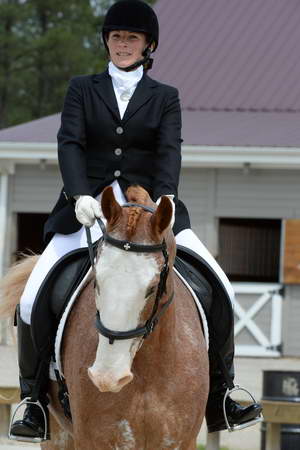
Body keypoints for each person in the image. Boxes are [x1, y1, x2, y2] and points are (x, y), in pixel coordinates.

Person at [10, 0, 262, 442]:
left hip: (153, 212)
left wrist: (164, 195)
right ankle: (32, 400)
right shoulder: (82, 89)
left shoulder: (165, 97)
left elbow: (170, 148)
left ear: (148, 46)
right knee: (32, 298)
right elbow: (70, 142)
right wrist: (79, 194)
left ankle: (224, 393)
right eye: (116, 37)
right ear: (106, 42)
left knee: (220, 287)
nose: (122, 45)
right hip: (89, 211)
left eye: (131, 38)